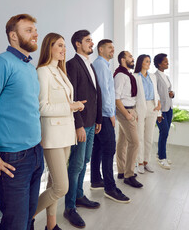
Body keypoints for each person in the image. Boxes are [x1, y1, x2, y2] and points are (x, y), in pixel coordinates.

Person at [0, 14, 44, 230]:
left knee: (28, 218)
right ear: (13, 36)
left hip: (35, 152)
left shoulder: (29, 67)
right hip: (12, 158)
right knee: (15, 223)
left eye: (35, 29)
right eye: (28, 30)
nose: (35, 34)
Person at [34, 33, 85, 230]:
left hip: (66, 135)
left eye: (65, 46)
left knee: (53, 183)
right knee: (61, 187)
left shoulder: (61, 72)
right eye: (60, 45)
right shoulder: (43, 72)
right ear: (49, 47)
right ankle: (26, 217)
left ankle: (51, 225)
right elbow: (42, 108)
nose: (64, 49)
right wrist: (72, 107)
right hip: (52, 136)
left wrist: (74, 106)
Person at [64, 30, 102, 229]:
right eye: (88, 41)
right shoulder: (72, 64)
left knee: (85, 161)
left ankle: (79, 196)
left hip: (91, 122)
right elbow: (73, 97)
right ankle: (69, 206)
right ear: (78, 44)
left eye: (91, 40)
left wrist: (98, 118)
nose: (91, 43)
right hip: (80, 123)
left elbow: (97, 93)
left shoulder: (89, 63)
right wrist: (78, 124)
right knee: (76, 164)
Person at [90, 39, 130, 203]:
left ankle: (95, 180)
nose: (113, 50)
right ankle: (110, 187)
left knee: (98, 148)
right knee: (109, 149)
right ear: (101, 49)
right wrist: (110, 113)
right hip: (105, 115)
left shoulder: (104, 65)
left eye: (114, 47)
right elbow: (103, 92)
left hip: (103, 114)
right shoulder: (100, 65)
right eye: (109, 47)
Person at [114, 51, 143, 188]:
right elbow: (116, 98)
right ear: (122, 59)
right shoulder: (120, 75)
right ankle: (129, 175)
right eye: (130, 57)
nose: (133, 59)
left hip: (130, 109)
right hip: (125, 110)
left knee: (123, 141)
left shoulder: (127, 75)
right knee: (135, 143)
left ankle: (121, 171)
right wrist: (127, 114)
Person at [134, 54, 161, 174]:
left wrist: (159, 104)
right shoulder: (134, 77)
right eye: (146, 61)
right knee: (139, 136)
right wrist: (134, 111)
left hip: (152, 107)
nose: (149, 64)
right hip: (140, 107)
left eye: (149, 62)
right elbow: (132, 95)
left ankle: (146, 161)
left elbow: (156, 91)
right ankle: (139, 162)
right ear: (140, 63)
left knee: (149, 137)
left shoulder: (152, 76)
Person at [154, 53, 174, 170]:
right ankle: (162, 158)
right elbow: (155, 95)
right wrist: (158, 113)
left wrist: (172, 94)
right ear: (159, 64)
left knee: (165, 133)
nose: (168, 63)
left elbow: (170, 91)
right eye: (165, 62)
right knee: (164, 131)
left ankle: (160, 154)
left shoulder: (166, 77)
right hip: (160, 109)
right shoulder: (155, 77)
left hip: (169, 108)